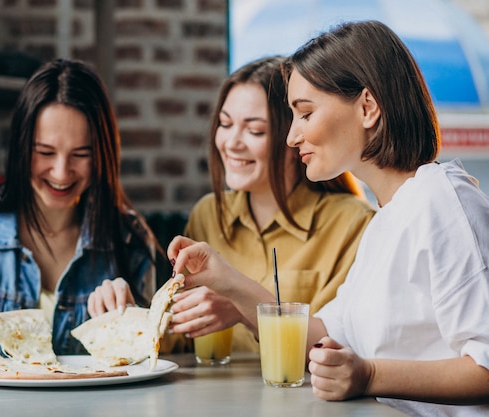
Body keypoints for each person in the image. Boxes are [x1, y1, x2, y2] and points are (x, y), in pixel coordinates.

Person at [168, 20, 489, 417]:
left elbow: (485, 366)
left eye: (305, 114)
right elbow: (319, 336)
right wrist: (226, 280)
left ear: (367, 107)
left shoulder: (443, 200)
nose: (291, 137)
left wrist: (370, 375)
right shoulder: (387, 220)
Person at [88, 56, 375, 353]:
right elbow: (178, 335)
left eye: (255, 131)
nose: (231, 142)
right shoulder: (208, 215)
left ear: (294, 137)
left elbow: (337, 345)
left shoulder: (351, 224)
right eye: (225, 124)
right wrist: (128, 315)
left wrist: (243, 308)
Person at [0, 59, 158, 355]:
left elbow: (150, 358)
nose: (61, 172)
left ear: (103, 155)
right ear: (21, 148)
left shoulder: (129, 238)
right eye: (45, 152)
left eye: (81, 154)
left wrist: (129, 324)